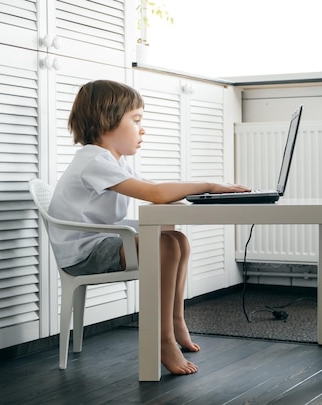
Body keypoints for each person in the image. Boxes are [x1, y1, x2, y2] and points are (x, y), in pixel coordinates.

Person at [48, 79, 250, 375]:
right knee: (166, 244)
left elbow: (153, 189)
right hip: (83, 254)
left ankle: (176, 320)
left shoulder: (113, 160)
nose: (142, 129)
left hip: (100, 240)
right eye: (136, 120)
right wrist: (209, 185)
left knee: (178, 239)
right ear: (108, 121)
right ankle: (162, 338)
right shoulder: (93, 160)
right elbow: (154, 195)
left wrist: (202, 188)